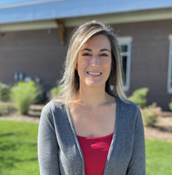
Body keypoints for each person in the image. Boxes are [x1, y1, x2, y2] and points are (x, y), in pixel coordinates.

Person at [38, 21, 145, 175]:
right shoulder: (54, 114)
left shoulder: (131, 114)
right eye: (86, 54)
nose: (95, 63)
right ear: (74, 62)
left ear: (113, 63)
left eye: (103, 54)